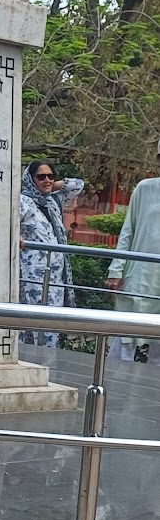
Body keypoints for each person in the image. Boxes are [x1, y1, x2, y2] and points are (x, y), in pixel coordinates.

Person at [19, 162, 85, 346]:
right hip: (34, 278)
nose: (47, 179)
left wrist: (50, 185)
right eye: (41, 176)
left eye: (50, 175)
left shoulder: (53, 200)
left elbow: (78, 185)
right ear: (29, 179)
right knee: (32, 327)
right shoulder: (23, 201)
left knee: (51, 329)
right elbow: (7, 224)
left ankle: (48, 370)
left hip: (56, 280)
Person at [107, 146, 160, 363]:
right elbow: (127, 232)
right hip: (141, 275)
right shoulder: (145, 189)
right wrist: (116, 269)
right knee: (131, 334)